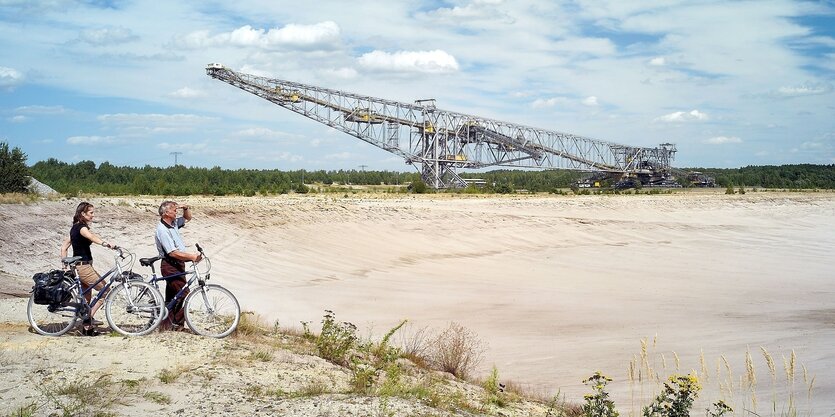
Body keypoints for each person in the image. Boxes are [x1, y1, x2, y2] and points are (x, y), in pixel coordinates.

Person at [60, 202, 115, 336]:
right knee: (105, 291)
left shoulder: (74, 228)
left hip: (80, 266)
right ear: (82, 214)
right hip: (83, 267)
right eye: (91, 212)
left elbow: (64, 248)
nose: (93, 215)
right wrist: (106, 244)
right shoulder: (82, 228)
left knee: (87, 297)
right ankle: (88, 318)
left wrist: (65, 265)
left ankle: (87, 328)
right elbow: (91, 237)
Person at [154, 200, 202, 330]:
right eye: (173, 210)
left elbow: (188, 218)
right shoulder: (162, 230)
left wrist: (186, 207)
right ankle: (176, 323)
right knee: (185, 294)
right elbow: (172, 253)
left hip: (178, 265)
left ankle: (165, 325)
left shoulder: (173, 223)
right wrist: (192, 256)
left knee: (172, 298)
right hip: (170, 265)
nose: (176, 211)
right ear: (166, 213)